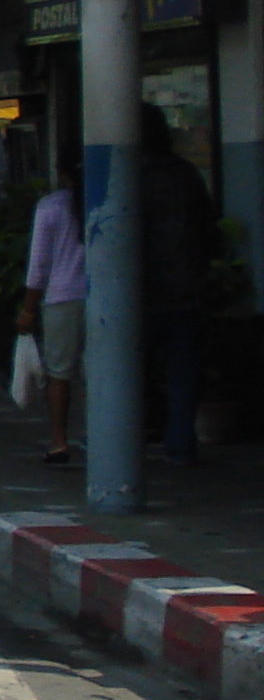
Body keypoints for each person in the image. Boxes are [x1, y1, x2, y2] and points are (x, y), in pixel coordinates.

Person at [140, 102, 218, 467]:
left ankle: (127, 439)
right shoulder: (186, 174)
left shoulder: (127, 176)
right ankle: (180, 444)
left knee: (129, 371)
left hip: (138, 292)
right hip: (186, 289)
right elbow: (209, 231)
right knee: (183, 374)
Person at [17, 157, 86, 467]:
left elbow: (38, 265)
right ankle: (100, 435)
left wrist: (28, 309)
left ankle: (59, 439)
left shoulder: (51, 206)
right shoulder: (108, 198)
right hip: (103, 295)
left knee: (59, 373)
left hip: (61, 297)